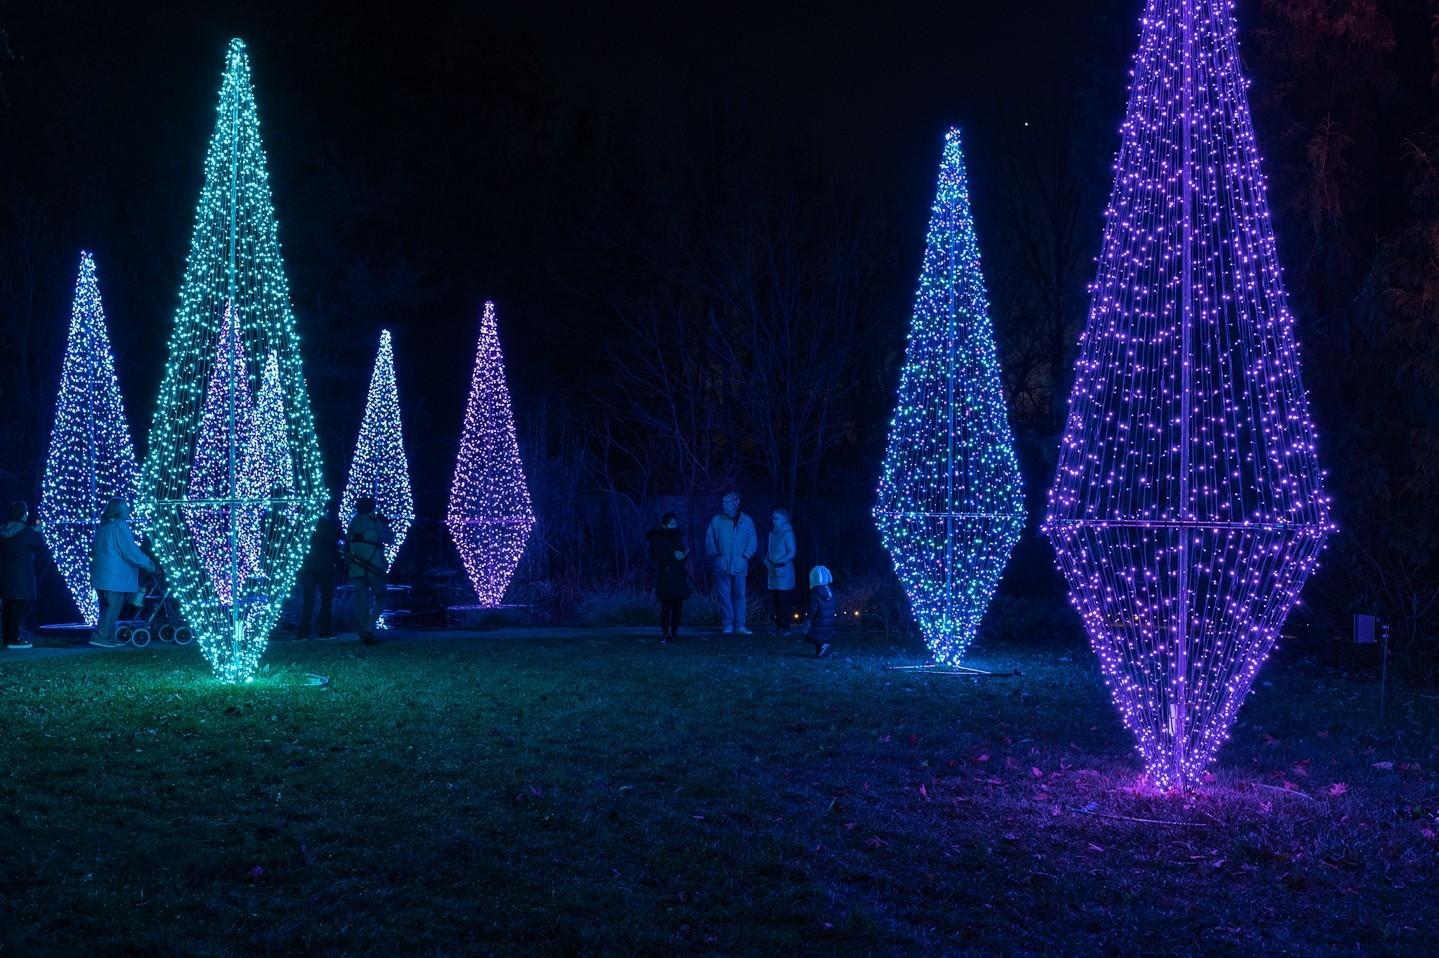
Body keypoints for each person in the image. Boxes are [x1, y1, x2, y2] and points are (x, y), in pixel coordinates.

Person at [90, 498, 155, 648]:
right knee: (113, 605)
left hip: (102, 575)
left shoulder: (104, 527)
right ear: (119, 510)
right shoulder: (119, 526)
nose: (129, 510)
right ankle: (101, 635)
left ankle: (108, 634)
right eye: (126, 507)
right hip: (113, 576)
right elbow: (130, 551)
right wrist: (148, 563)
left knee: (107, 606)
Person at [704, 491, 757, 635]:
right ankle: (728, 624)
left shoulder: (747, 521)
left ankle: (740, 625)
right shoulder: (716, 520)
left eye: (727, 502)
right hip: (722, 564)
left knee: (740, 596)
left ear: (736, 503)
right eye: (723, 502)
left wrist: (745, 556)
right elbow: (709, 540)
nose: (724, 505)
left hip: (740, 565)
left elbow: (752, 541)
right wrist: (716, 556)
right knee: (724, 596)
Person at [1, 501, 49, 650]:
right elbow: (40, 546)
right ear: (23, 514)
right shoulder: (27, 533)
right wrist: (38, 531)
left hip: (5, 575)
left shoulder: (3, 530)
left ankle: (8, 637)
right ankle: (14, 639)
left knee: (8, 607)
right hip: (22, 576)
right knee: (18, 607)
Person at [346, 496, 394, 644]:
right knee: (381, 598)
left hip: (356, 568)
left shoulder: (352, 522)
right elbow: (389, 538)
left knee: (362, 602)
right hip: (374, 566)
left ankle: (363, 632)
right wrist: (384, 523)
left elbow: (348, 542)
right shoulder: (375, 521)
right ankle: (368, 628)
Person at [296, 510, 344, 639]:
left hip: (308, 566)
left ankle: (303, 632)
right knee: (326, 600)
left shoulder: (304, 525)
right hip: (326, 566)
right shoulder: (330, 525)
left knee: (308, 600)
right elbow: (336, 545)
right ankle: (325, 630)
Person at [646, 512, 690, 643]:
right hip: (665, 575)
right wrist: (672, 556)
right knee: (666, 605)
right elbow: (653, 555)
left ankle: (675, 632)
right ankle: (665, 633)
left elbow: (680, 552)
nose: (674, 526)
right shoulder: (657, 537)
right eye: (671, 524)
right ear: (664, 524)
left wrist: (683, 556)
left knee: (678, 605)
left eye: (676, 524)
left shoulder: (677, 535)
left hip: (678, 574)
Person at [764, 508, 797, 636]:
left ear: (784, 519)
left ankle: (785, 627)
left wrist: (779, 562)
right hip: (773, 571)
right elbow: (771, 549)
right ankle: (778, 626)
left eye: (776, 517)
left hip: (783, 572)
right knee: (776, 600)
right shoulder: (773, 532)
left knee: (783, 601)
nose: (773, 520)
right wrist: (767, 560)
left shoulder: (787, 532)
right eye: (773, 517)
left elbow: (791, 552)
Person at [803, 565, 836, 659]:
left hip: (818, 621)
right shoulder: (829, 590)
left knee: (808, 634)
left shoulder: (815, 592)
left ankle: (823, 645)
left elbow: (813, 608)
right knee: (821, 637)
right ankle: (820, 652)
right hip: (828, 622)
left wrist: (808, 618)